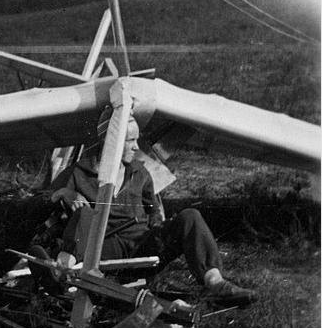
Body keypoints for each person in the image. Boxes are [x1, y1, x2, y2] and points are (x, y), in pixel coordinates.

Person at [30, 108, 258, 307]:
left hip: (141, 246)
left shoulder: (139, 172)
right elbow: (40, 200)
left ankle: (215, 283)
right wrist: (64, 192)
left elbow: (154, 210)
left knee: (191, 216)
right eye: (130, 141)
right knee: (84, 214)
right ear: (112, 141)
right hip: (102, 249)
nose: (136, 147)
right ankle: (60, 272)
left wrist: (161, 230)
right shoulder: (79, 173)